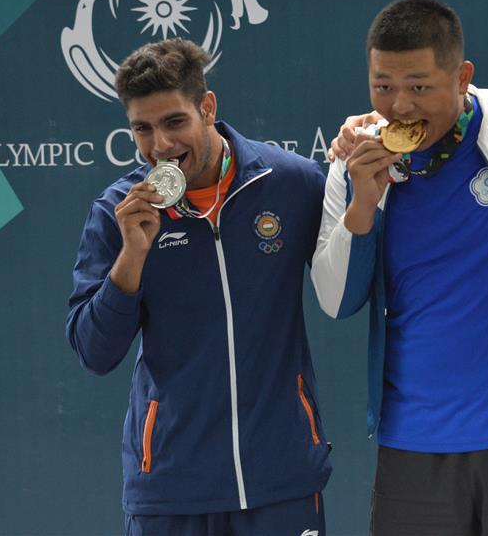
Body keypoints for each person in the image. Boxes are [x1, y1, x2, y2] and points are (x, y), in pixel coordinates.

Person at [311, 0, 488, 535]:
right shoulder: (353, 163)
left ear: (462, 77)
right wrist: (363, 202)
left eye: (419, 86)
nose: (399, 106)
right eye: (382, 86)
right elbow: (334, 300)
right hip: (413, 447)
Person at [66, 39, 331, 535]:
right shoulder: (117, 212)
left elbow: (349, 275)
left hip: (281, 479)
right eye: (142, 129)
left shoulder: (291, 182)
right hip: (171, 489)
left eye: (173, 122)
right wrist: (133, 256)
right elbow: (94, 352)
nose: (159, 146)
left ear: (207, 108)